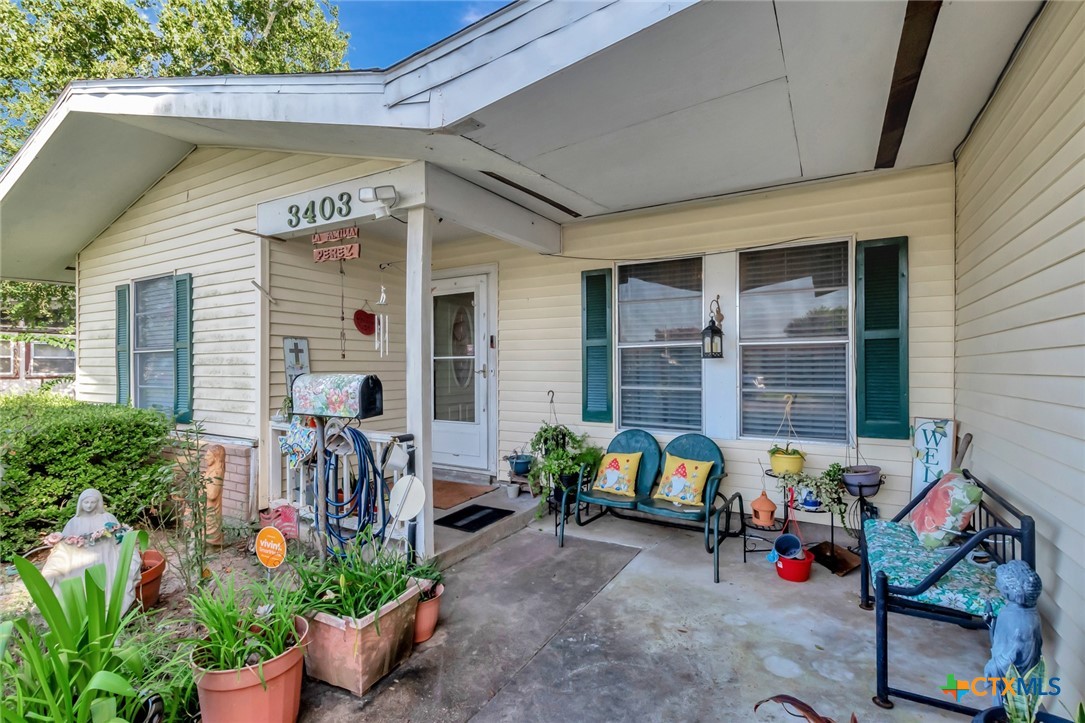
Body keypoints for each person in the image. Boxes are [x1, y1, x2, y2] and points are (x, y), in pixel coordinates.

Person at [41, 488, 142, 612]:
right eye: (86, 502)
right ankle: (86, 612)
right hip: (82, 560)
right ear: (80, 504)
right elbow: (66, 544)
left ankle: (109, 610)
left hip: (105, 557)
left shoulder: (107, 518)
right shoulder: (74, 522)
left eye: (92, 502)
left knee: (106, 584)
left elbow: (118, 537)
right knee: (84, 585)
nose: (89, 505)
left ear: (98, 503)